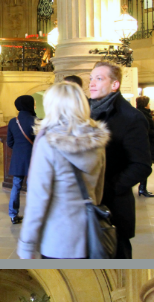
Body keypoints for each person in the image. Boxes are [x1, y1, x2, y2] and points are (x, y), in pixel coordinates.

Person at [16, 82, 109, 259]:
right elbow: (98, 189)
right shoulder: (96, 140)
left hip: (58, 239)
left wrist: (27, 245)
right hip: (89, 234)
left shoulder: (48, 143)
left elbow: (38, 198)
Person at [88, 62, 151, 259]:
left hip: (113, 205)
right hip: (87, 205)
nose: (91, 83)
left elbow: (141, 165)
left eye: (99, 78)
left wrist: (108, 188)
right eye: (91, 78)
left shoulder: (131, 117)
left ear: (115, 85)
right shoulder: (85, 113)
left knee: (116, 256)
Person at [6, 95, 36, 224]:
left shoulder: (13, 121)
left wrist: (19, 150)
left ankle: (13, 214)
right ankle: (32, 214)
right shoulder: (36, 121)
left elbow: (9, 142)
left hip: (18, 158)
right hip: (33, 158)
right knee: (32, 187)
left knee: (16, 186)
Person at [135, 95, 154, 197]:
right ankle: (142, 188)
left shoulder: (137, 114)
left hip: (143, 144)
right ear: (145, 105)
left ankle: (142, 187)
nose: (149, 105)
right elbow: (147, 131)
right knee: (146, 165)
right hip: (147, 144)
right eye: (148, 103)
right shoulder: (144, 115)